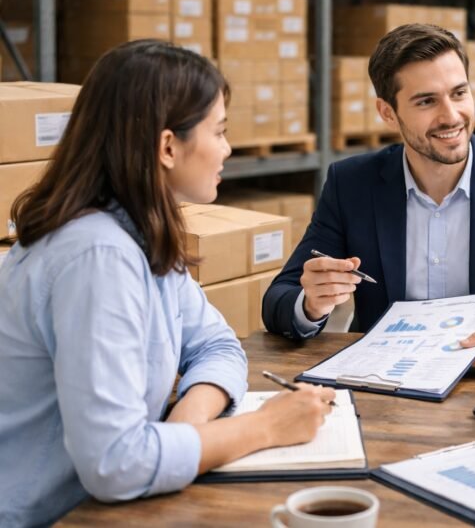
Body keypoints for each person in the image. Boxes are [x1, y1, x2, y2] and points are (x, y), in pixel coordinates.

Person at [0, 40, 335, 527]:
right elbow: (115, 463)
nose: (228, 148)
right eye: (218, 131)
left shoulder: (138, 231)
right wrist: (265, 427)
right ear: (167, 146)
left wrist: (185, 429)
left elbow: (217, 344)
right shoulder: (97, 255)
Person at [262, 24, 475, 374]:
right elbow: (279, 299)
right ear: (387, 112)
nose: (451, 116)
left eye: (459, 93)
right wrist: (310, 304)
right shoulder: (352, 184)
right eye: (427, 101)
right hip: (385, 383)